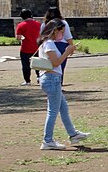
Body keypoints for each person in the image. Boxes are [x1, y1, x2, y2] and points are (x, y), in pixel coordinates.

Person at [37, 19, 89, 150]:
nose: (63, 35)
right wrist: (67, 51)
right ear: (55, 31)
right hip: (51, 79)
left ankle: (73, 134)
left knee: (63, 108)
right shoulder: (49, 43)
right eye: (61, 31)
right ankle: (47, 140)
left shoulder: (48, 43)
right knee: (53, 111)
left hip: (51, 78)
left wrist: (67, 51)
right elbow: (56, 62)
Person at [43, 7, 73, 83]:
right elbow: (68, 36)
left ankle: (51, 81)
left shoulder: (45, 23)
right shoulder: (62, 23)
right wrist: (71, 47)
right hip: (61, 45)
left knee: (48, 65)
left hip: (47, 45)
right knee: (59, 65)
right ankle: (58, 83)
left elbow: (42, 36)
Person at [15, 9, 42, 86]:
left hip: (25, 48)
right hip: (37, 48)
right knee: (38, 64)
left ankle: (27, 81)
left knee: (26, 65)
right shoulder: (38, 24)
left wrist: (23, 38)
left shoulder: (21, 25)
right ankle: (39, 77)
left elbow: (18, 37)